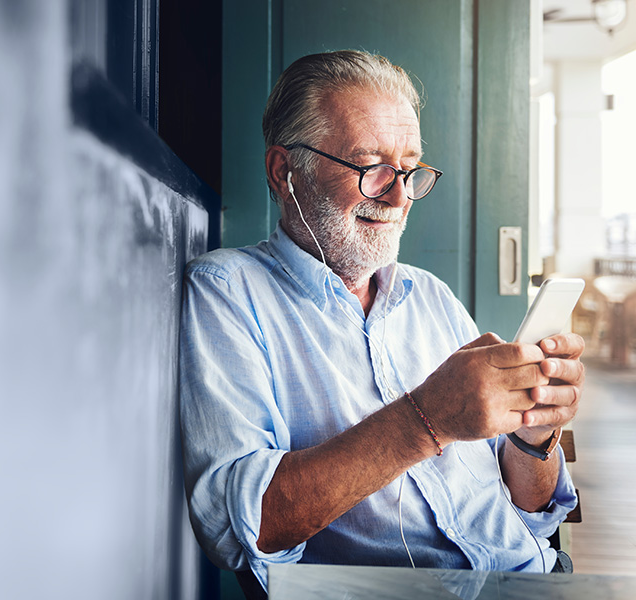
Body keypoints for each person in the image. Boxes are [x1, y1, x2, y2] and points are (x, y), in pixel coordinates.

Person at [179, 50, 583, 596]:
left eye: (409, 170)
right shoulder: (228, 292)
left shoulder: (430, 296)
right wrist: (427, 418)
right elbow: (238, 531)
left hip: (531, 580)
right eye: (371, 168)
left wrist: (534, 436)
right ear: (284, 171)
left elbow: (532, 507)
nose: (398, 197)